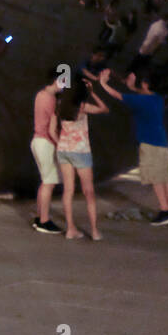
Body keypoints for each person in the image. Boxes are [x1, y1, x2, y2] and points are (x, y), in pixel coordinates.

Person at [96, 68, 168, 225]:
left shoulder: (141, 101)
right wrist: (132, 87)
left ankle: (165, 211)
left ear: (145, 84)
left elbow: (117, 95)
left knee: (155, 178)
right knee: (165, 178)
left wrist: (102, 83)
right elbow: (139, 94)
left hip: (149, 143)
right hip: (161, 143)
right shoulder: (157, 99)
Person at [55, 81, 108, 241]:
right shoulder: (82, 107)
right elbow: (104, 109)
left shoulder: (60, 105)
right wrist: (92, 93)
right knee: (88, 192)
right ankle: (94, 230)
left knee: (68, 190)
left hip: (63, 149)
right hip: (81, 151)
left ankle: (70, 229)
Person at [30, 73, 64, 234]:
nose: (63, 86)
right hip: (46, 143)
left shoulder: (40, 95)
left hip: (37, 141)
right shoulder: (52, 100)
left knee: (45, 182)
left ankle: (39, 218)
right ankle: (44, 220)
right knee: (49, 182)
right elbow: (52, 130)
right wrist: (61, 145)